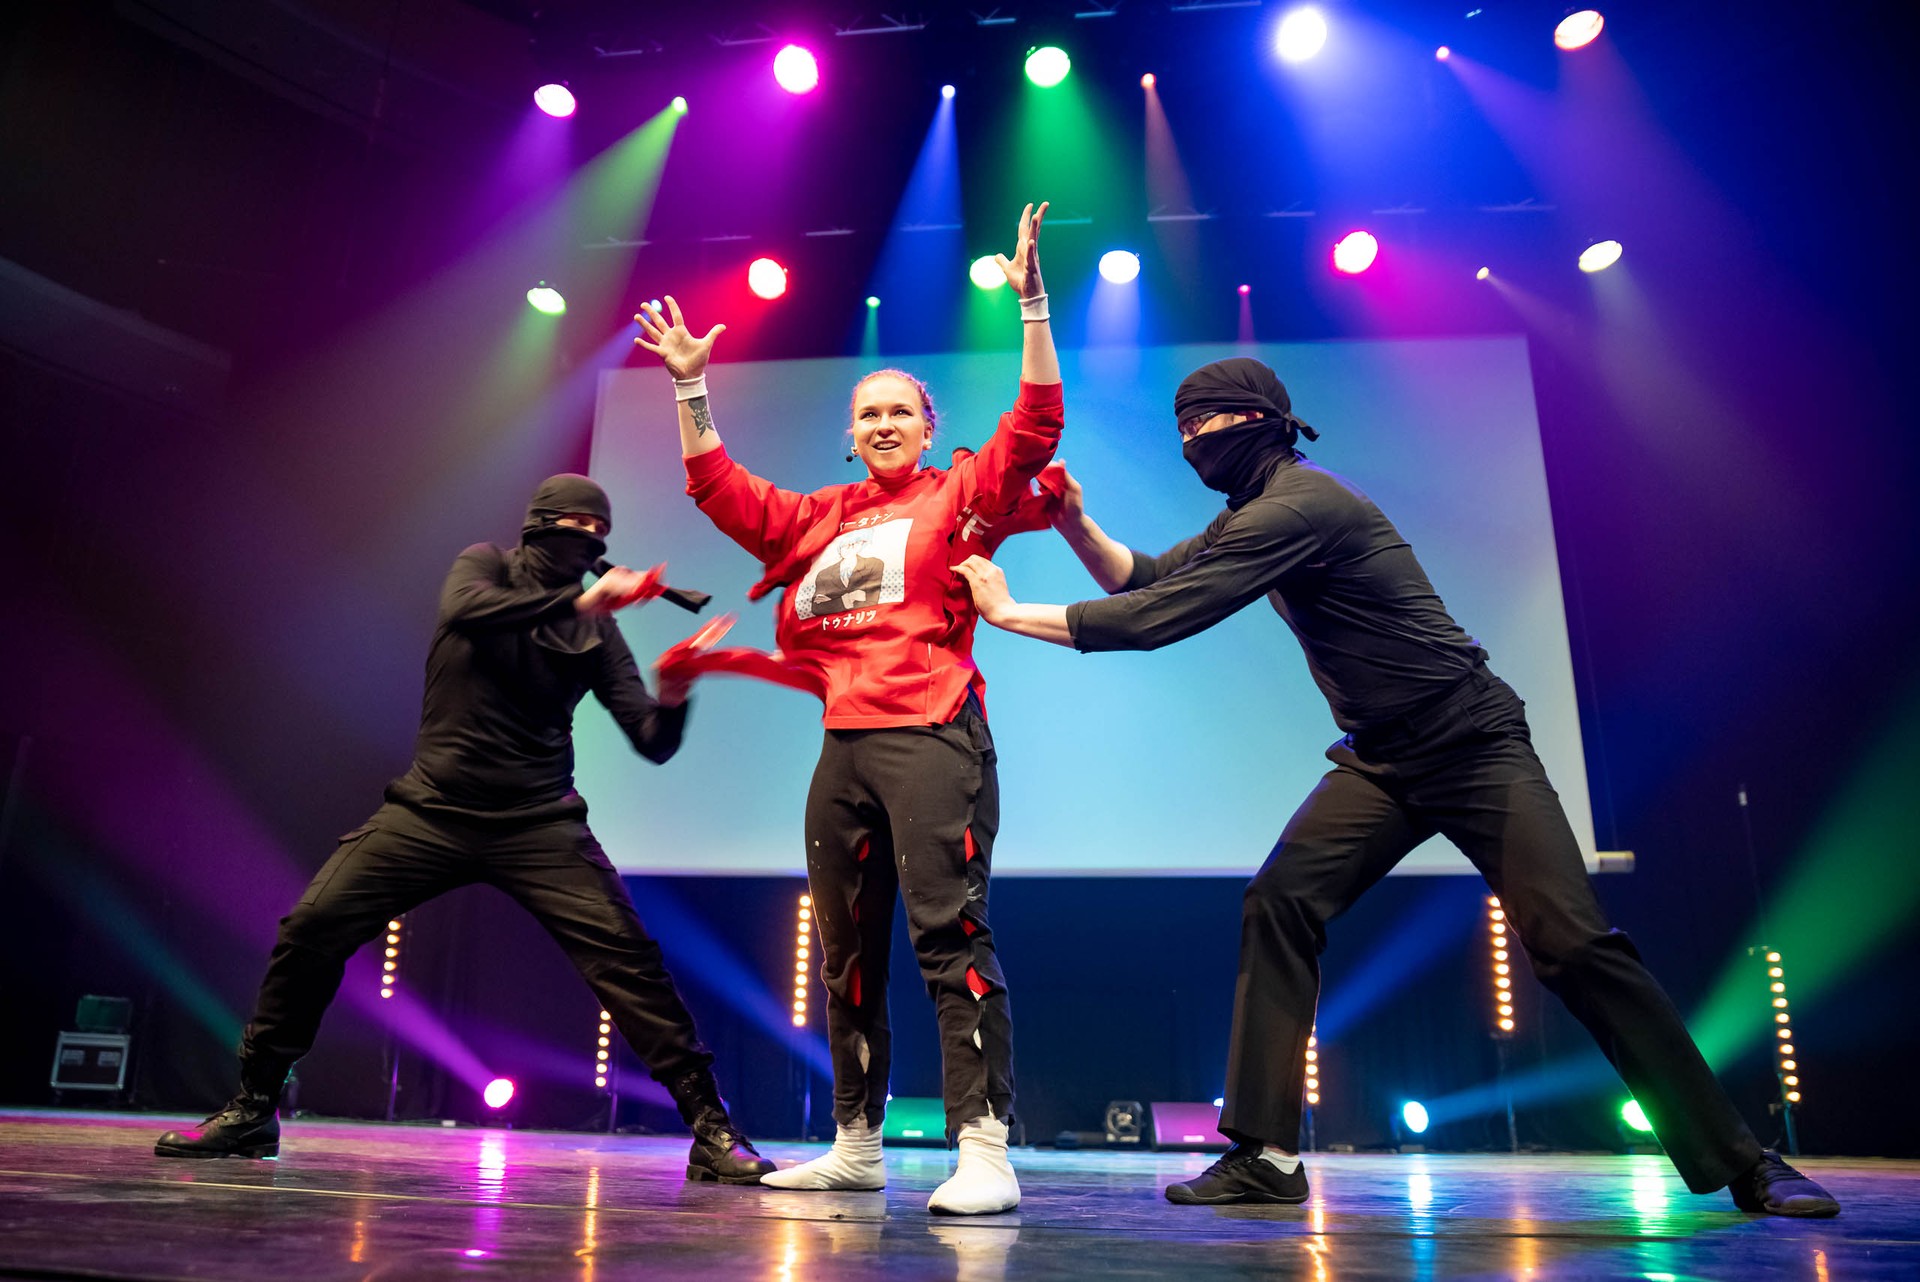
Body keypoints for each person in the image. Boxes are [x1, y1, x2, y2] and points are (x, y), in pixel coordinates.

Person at [951, 357, 1840, 1218]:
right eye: (1183, 426)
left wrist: (1007, 612)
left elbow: (1154, 620)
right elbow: (1146, 578)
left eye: (1209, 420)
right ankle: (1266, 1156)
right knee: (1281, 901)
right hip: (1383, 758)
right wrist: (1074, 523)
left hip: (1473, 741)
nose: (1194, 440)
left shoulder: (1302, 504)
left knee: (1574, 946)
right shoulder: (1252, 514)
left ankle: (1744, 1160)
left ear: (1261, 421)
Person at [156, 474, 775, 1186]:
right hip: (431, 810)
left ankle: (711, 1129)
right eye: (573, 524)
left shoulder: (599, 632)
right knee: (311, 929)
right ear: (539, 523)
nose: (585, 538)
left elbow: (652, 741)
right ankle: (253, 1107)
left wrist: (676, 691)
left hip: (539, 820)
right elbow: (467, 610)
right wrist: (582, 601)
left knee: (630, 965)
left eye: (597, 530)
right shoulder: (484, 567)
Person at [632, 203, 1059, 1215]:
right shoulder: (821, 517)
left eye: (899, 413)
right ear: (852, 433)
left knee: (948, 938)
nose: (883, 426)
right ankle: (857, 1142)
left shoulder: (960, 493)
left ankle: (984, 1148)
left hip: (934, 734)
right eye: (868, 415)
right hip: (845, 750)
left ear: (927, 427)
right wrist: (690, 385)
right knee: (846, 957)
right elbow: (719, 489)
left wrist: (1032, 306)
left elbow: (1036, 424)